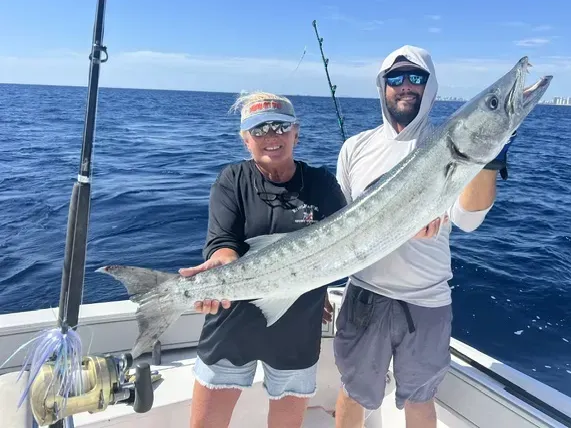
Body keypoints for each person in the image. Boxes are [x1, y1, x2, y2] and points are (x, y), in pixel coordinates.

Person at [332, 45, 516, 428]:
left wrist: (489, 160)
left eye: (415, 77)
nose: (405, 85)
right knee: (353, 392)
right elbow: (341, 226)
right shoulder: (355, 147)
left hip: (426, 299)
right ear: (382, 86)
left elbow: (468, 219)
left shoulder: (449, 143)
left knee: (420, 398)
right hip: (364, 294)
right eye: (395, 78)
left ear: (429, 86)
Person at [178, 91, 347, 428]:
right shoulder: (232, 180)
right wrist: (222, 263)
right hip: (232, 323)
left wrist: (318, 289)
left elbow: (343, 242)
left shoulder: (322, 183)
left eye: (280, 127)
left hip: (297, 329)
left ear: (296, 132)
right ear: (246, 140)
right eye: (259, 129)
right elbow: (223, 242)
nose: (271, 136)